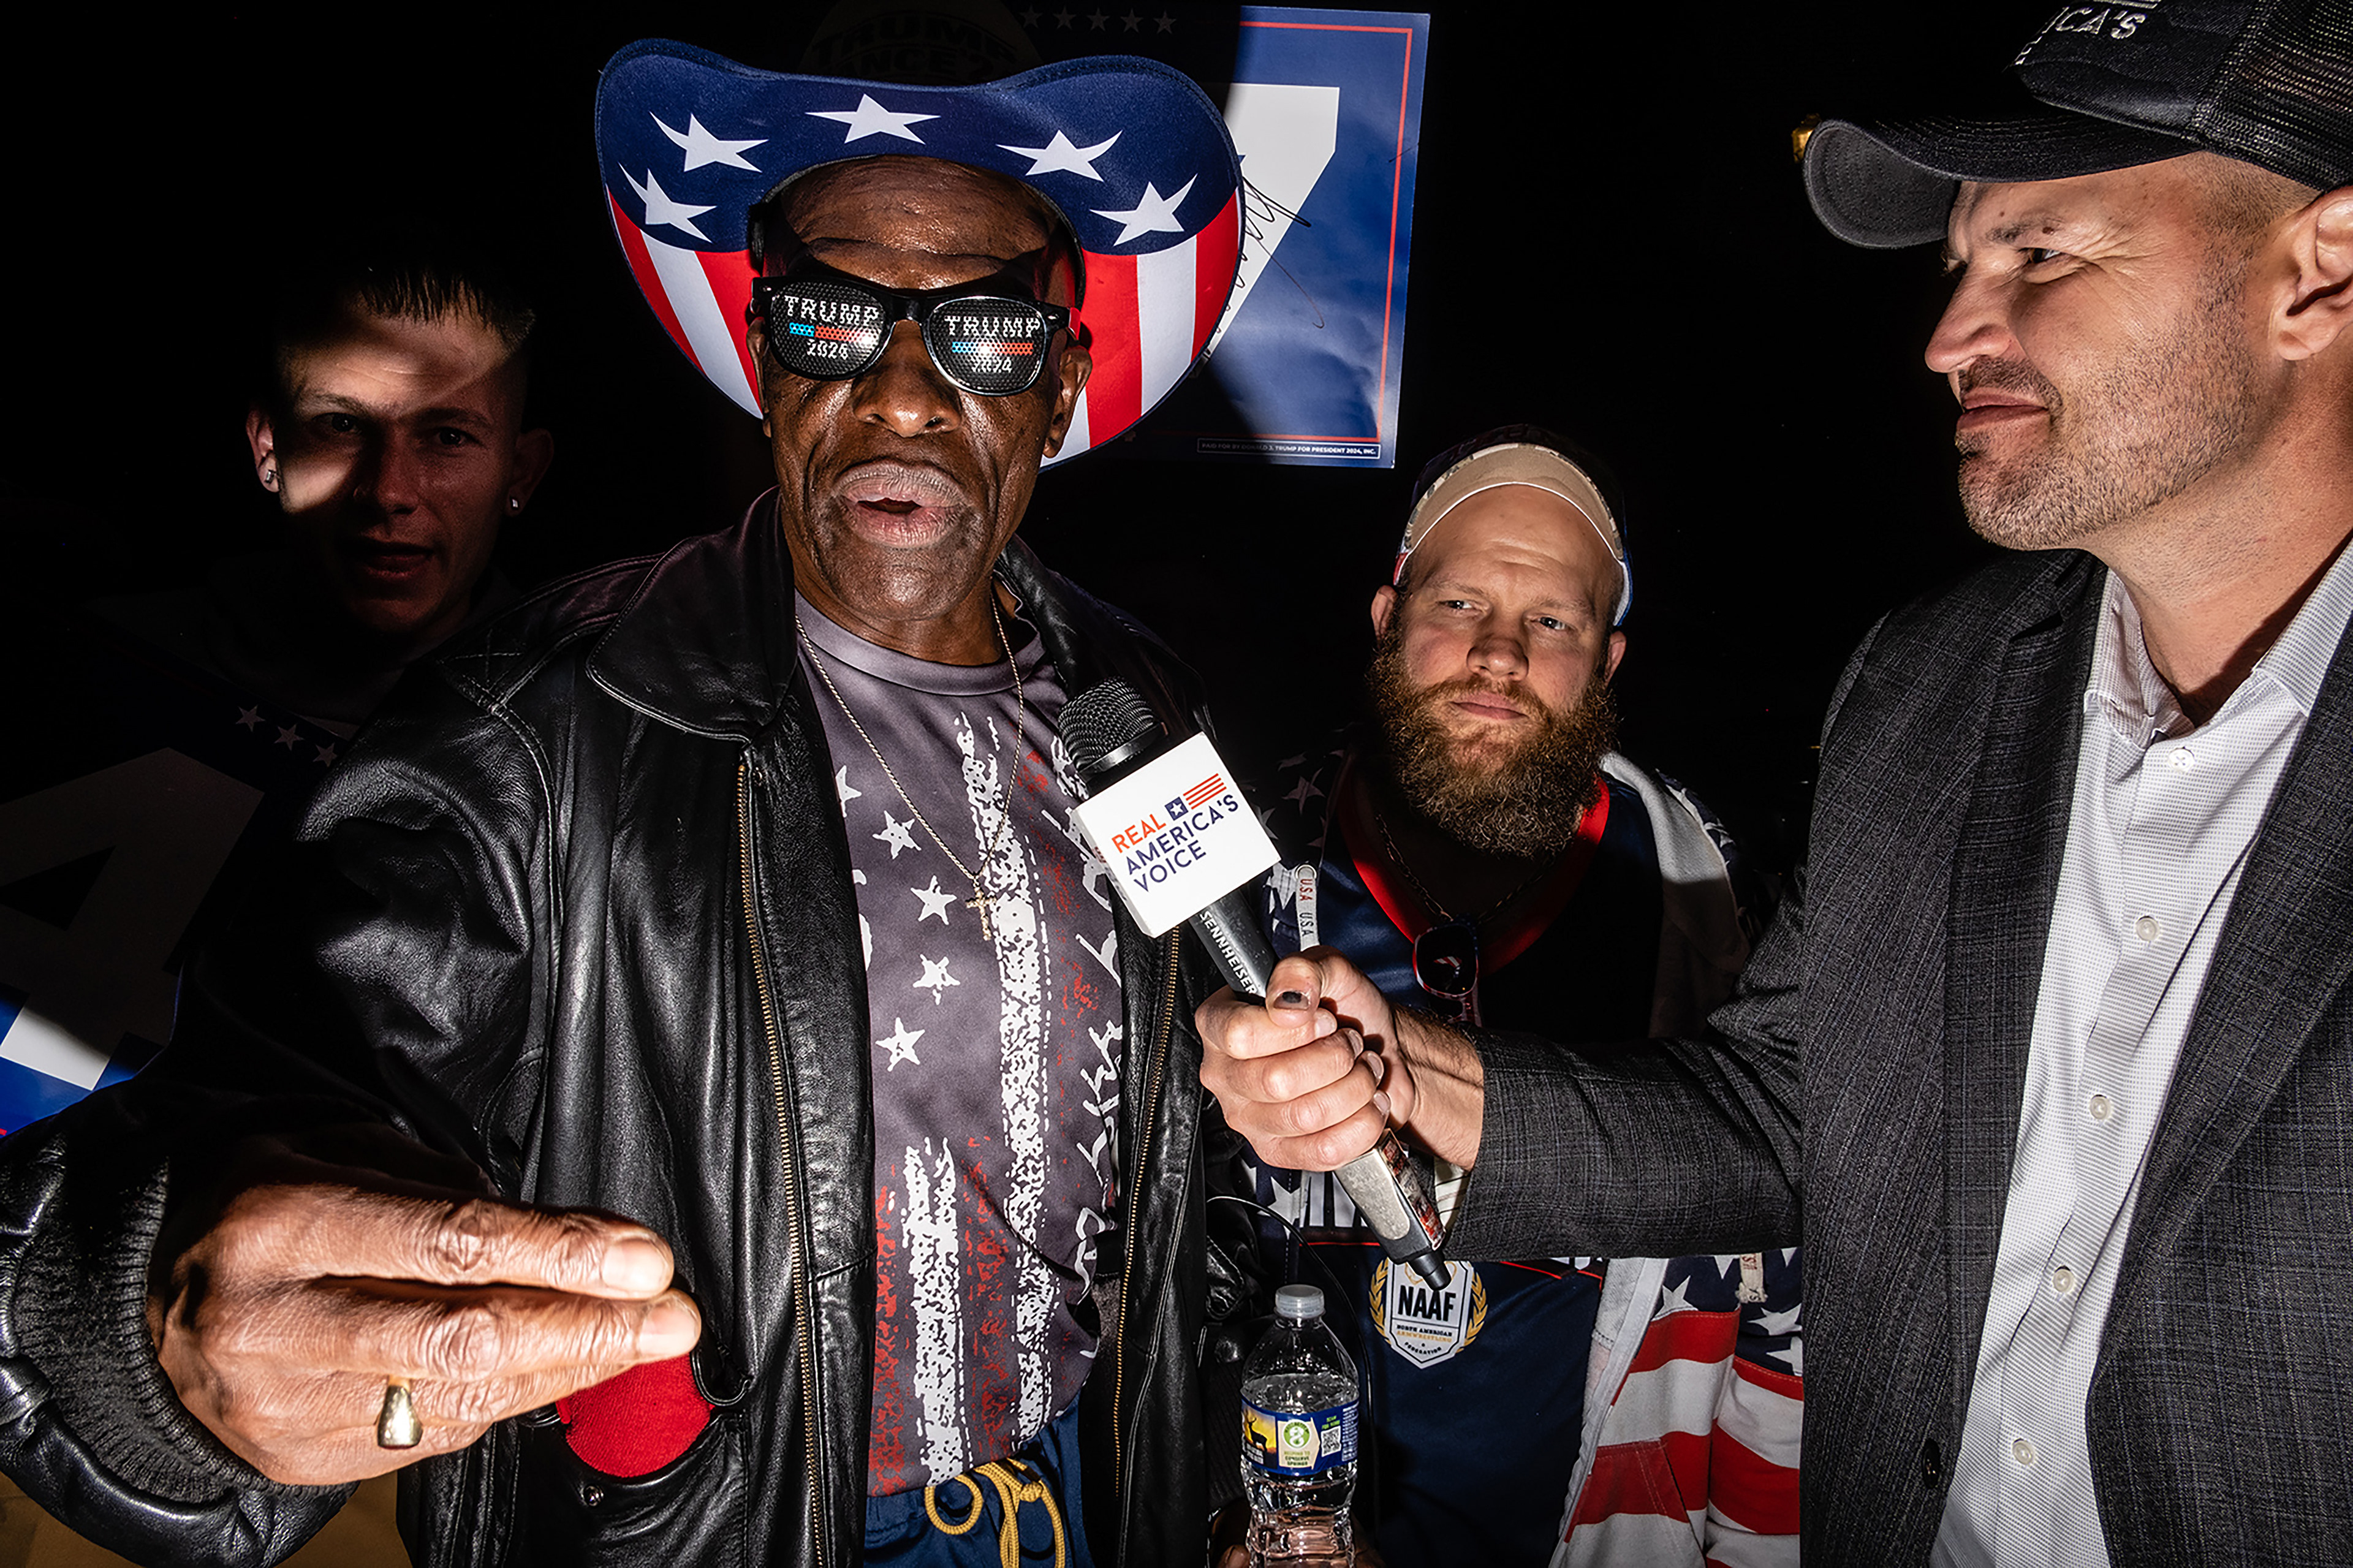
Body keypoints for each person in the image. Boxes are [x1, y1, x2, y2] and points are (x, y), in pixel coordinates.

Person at [0, 43, 1244, 1567]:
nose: (903, 391)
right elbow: (269, 1107)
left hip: (1089, 1502)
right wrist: (138, 1321)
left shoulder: (1143, 701)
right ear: (763, 358)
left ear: (1057, 378)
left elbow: (1209, 1133)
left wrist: (1228, 1456)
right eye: (832, 316)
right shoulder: (534, 722)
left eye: (982, 330)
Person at [1200, 4, 2353, 1564]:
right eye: (1958, 269)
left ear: (2318, 271)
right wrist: (1403, 1073)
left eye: (2040, 255)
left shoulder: (1698, 856)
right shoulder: (1924, 691)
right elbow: (1786, 1108)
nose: (1948, 333)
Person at [1210, 428, 1798, 1568]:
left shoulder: (1717, 911)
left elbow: (1790, 1302)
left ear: (1609, 661)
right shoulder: (1242, 880)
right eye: (1461, 603)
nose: (1498, 654)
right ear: (1387, 619)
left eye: (1552, 622)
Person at [89, 241, 553, 737]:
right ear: (269, 449)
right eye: (341, 425)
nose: (386, 492)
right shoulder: (105, 659)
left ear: (520, 472)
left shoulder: (590, 735)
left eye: (448, 437)